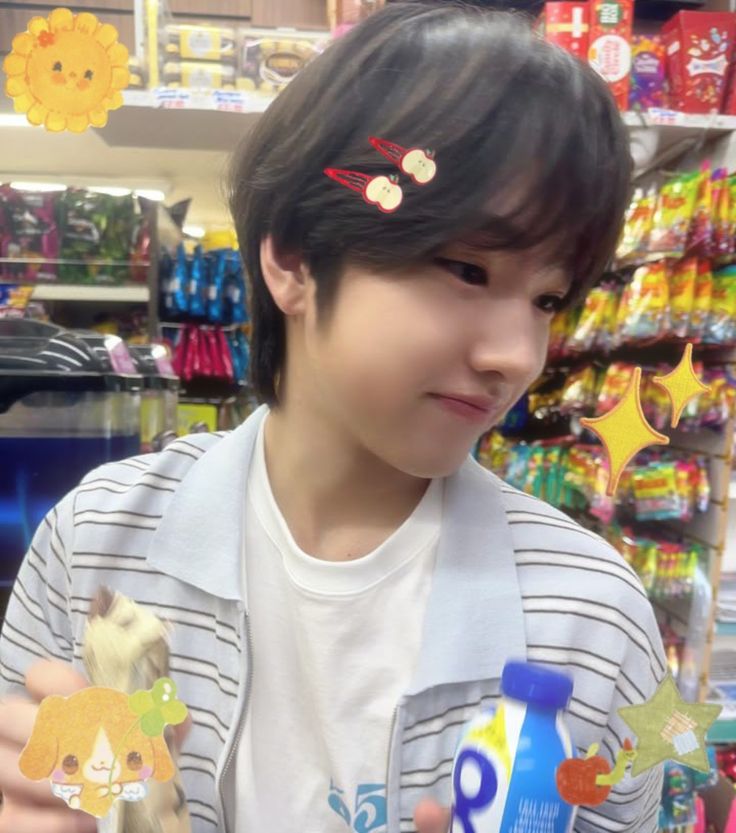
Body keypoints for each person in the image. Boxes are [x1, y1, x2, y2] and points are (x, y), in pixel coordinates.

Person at [0, 3, 667, 832]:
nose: (518, 355)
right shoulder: (97, 541)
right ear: (293, 258)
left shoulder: (589, 614)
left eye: (547, 298)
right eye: (467, 268)